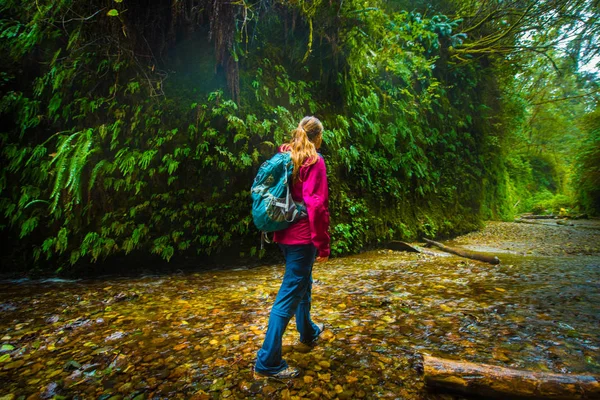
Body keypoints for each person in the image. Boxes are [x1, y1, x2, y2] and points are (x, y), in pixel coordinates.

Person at [254, 116, 331, 379]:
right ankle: (268, 362)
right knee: (288, 295)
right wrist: (323, 243)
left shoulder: (287, 155)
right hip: (302, 237)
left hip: (284, 235)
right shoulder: (314, 161)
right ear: (318, 137)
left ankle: (307, 331)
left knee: (303, 282)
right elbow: (316, 206)